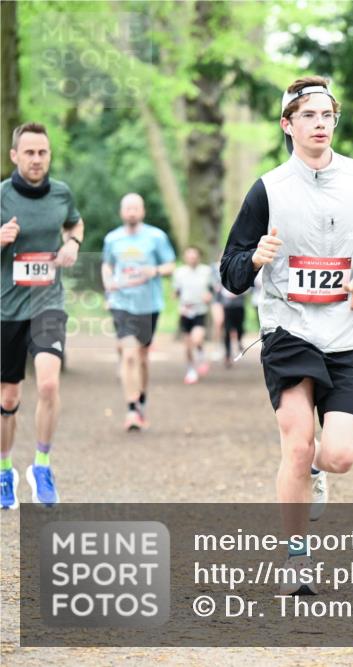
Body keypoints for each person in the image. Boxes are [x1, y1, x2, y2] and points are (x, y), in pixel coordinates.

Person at [221, 76, 353, 595]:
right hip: (289, 329)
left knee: (339, 456)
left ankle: (316, 472)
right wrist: (254, 259)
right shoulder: (269, 189)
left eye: (327, 116)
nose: (320, 124)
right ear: (288, 124)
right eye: (309, 116)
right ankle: (296, 559)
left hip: (351, 332)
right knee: (297, 445)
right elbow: (230, 270)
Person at [0, 122, 84, 508]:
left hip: (47, 303)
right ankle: (4, 471)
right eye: (29, 152)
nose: (37, 159)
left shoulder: (61, 193)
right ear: (15, 156)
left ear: (49, 156)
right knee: (9, 395)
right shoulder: (1, 196)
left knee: (49, 385)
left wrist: (72, 242)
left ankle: (43, 466)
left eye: (42, 153)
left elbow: (74, 221)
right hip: (6, 309)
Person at [102, 193, 176, 432]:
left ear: (142, 211)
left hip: (148, 305)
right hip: (121, 303)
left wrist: (153, 271)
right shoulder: (112, 239)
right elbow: (107, 264)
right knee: (129, 354)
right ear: (122, 212)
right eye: (128, 208)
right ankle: (132, 409)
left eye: (136, 208)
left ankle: (141, 400)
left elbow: (170, 265)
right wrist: (108, 284)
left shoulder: (156, 236)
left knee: (142, 357)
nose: (132, 212)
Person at [173, 246, 214, 384]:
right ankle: (191, 370)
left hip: (200, 310)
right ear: (185, 257)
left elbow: (212, 289)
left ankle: (201, 356)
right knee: (187, 345)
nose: (192, 258)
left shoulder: (206, 271)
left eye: (194, 256)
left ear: (199, 257)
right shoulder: (179, 272)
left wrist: (209, 295)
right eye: (189, 256)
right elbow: (176, 291)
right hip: (185, 310)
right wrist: (174, 295)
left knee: (197, 339)